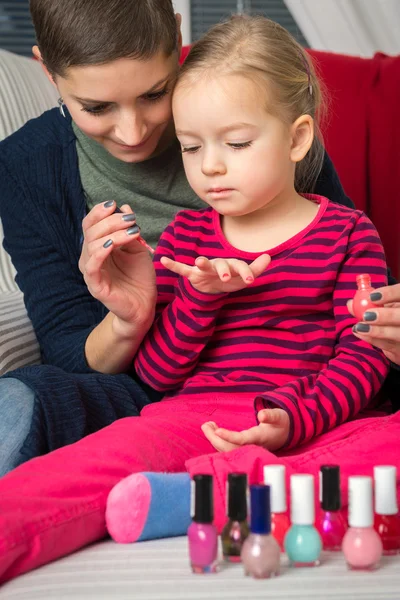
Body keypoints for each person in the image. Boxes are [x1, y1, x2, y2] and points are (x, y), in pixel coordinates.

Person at [0, 13, 399, 584]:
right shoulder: (188, 237)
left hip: (316, 418)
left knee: (388, 443)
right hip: (191, 416)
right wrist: (197, 298)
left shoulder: (348, 234)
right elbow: (159, 374)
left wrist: (294, 418)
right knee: (70, 475)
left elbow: (364, 358)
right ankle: (236, 487)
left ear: (298, 139)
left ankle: (202, 495)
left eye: (234, 144)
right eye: (189, 148)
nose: (209, 166)